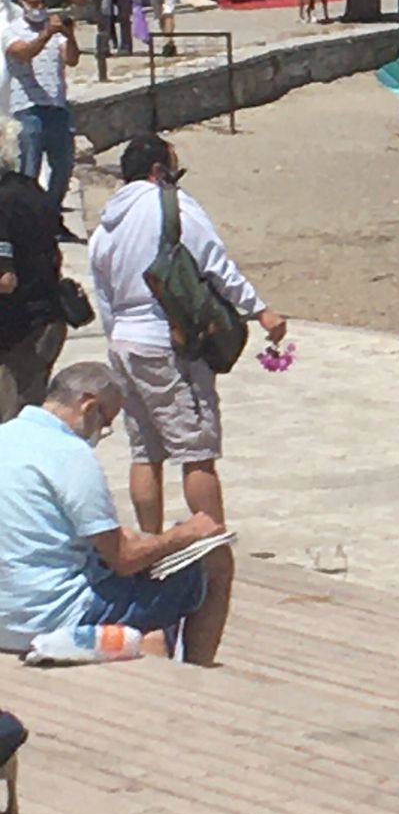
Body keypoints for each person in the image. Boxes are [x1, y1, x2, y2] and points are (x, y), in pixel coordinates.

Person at [87, 135, 285, 658]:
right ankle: (210, 539)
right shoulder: (170, 204)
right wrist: (261, 311)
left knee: (143, 448)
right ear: (158, 169)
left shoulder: (106, 221)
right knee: (196, 446)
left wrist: (117, 340)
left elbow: (103, 290)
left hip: (124, 341)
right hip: (166, 340)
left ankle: (151, 538)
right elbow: (213, 261)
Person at [0, 362, 232, 663]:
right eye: (105, 422)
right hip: (50, 616)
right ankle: (196, 668)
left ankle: (153, 647)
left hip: (7, 611)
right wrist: (183, 535)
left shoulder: (7, 435)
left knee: (146, 604)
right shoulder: (71, 454)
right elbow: (123, 559)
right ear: (89, 406)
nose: (101, 432)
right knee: (216, 561)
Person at [0, 114, 65, 420]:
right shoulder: (30, 190)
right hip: (47, 320)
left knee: (11, 429)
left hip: (18, 335)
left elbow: (5, 279)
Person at [4, 0, 79, 226]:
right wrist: (46, 33)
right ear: (22, 3)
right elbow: (23, 54)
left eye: (42, 3)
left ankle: (51, 216)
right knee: (29, 169)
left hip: (57, 106)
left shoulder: (54, 29)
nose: (38, 8)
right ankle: (26, 222)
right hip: (28, 108)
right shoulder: (13, 30)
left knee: (64, 164)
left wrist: (70, 36)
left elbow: (71, 59)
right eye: (33, 3)